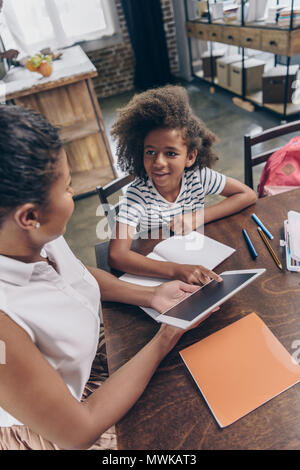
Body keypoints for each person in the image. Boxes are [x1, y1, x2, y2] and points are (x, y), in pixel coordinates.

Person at [0, 104, 217, 450]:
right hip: (65, 423)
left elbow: (74, 275)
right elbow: (78, 430)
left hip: (96, 356)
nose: (72, 195)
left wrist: (151, 295)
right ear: (29, 216)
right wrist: (164, 338)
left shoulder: (34, 236)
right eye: (68, 188)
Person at [108, 85, 257, 284]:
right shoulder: (137, 194)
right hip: (160, 271)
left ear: (190, 156)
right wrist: (176, 270)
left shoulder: (198, 176)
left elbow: (247, 195)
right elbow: (116, 255)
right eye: (150, 152)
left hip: (200, 256)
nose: (158, 162)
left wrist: (197, 217)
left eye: (170, 153)